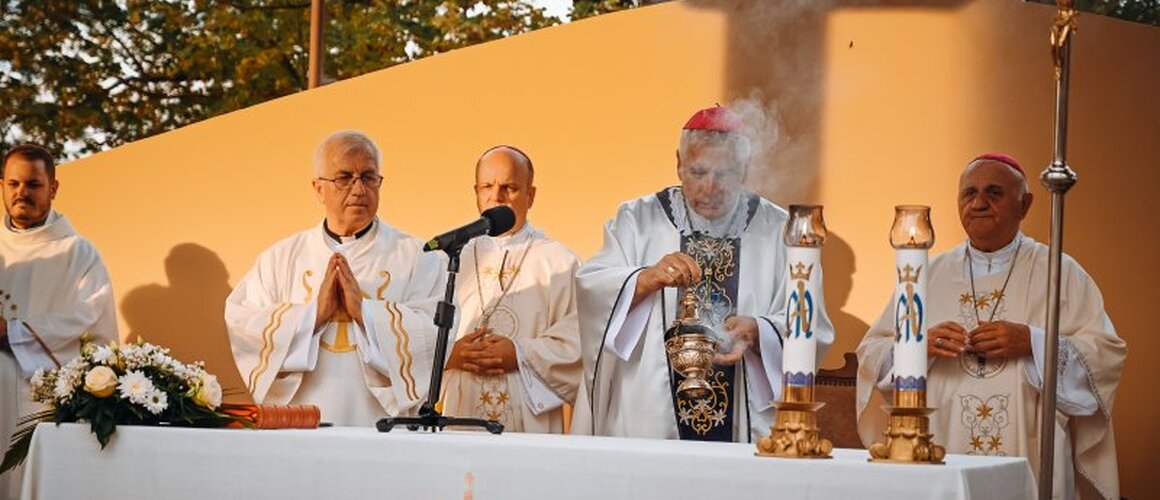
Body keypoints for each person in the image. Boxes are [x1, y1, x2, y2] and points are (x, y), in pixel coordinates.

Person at [855, 153, 1126, 500]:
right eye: (969, 193)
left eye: (994, 192)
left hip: (1029, 449)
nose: (979, 203)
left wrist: (1033, 343)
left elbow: (1105, 357)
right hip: (940, 445)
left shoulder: (1060, 272)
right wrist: (916, 346)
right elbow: (872, 354)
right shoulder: (924, 274)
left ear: (1024, 204)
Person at [572, 106, 834, 442]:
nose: (709, 187)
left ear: (745, 169)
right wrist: (644, 279)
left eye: (724, 174)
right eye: (698, 172)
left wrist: (760, 331)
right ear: (678, 163)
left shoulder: (780, 229)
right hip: (650, 417)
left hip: (745, 422)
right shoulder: (637, 220)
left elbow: (810, 324)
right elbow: (592, 288)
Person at [226, 131, 443, 426]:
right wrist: (313, 316)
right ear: (318, 189)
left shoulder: (418, 256)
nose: (359, 189)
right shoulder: (281, 258)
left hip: (382, 424)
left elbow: (436, 332)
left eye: (368, 177)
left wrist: (365, 313)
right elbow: (242, 321)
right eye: (344, 178)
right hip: (301, 421)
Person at [0, 144, 118, 500]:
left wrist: (15, 332)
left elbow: (88, 315)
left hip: (40, 397)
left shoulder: (79, 253)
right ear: (2, 185)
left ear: (53, 188)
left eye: (33, 184)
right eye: (13, 184)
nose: (22, 193)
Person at [440, 146, 581, 433]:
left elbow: (581, 343)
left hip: (530, 421)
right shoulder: (451, 258)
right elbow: (417, 336)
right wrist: (450, 354)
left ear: (530, 196)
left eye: (510, 187)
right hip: (461, 414)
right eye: (487, 187)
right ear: (476, 192)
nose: (497, 196)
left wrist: (520, 354)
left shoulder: (560, 263)